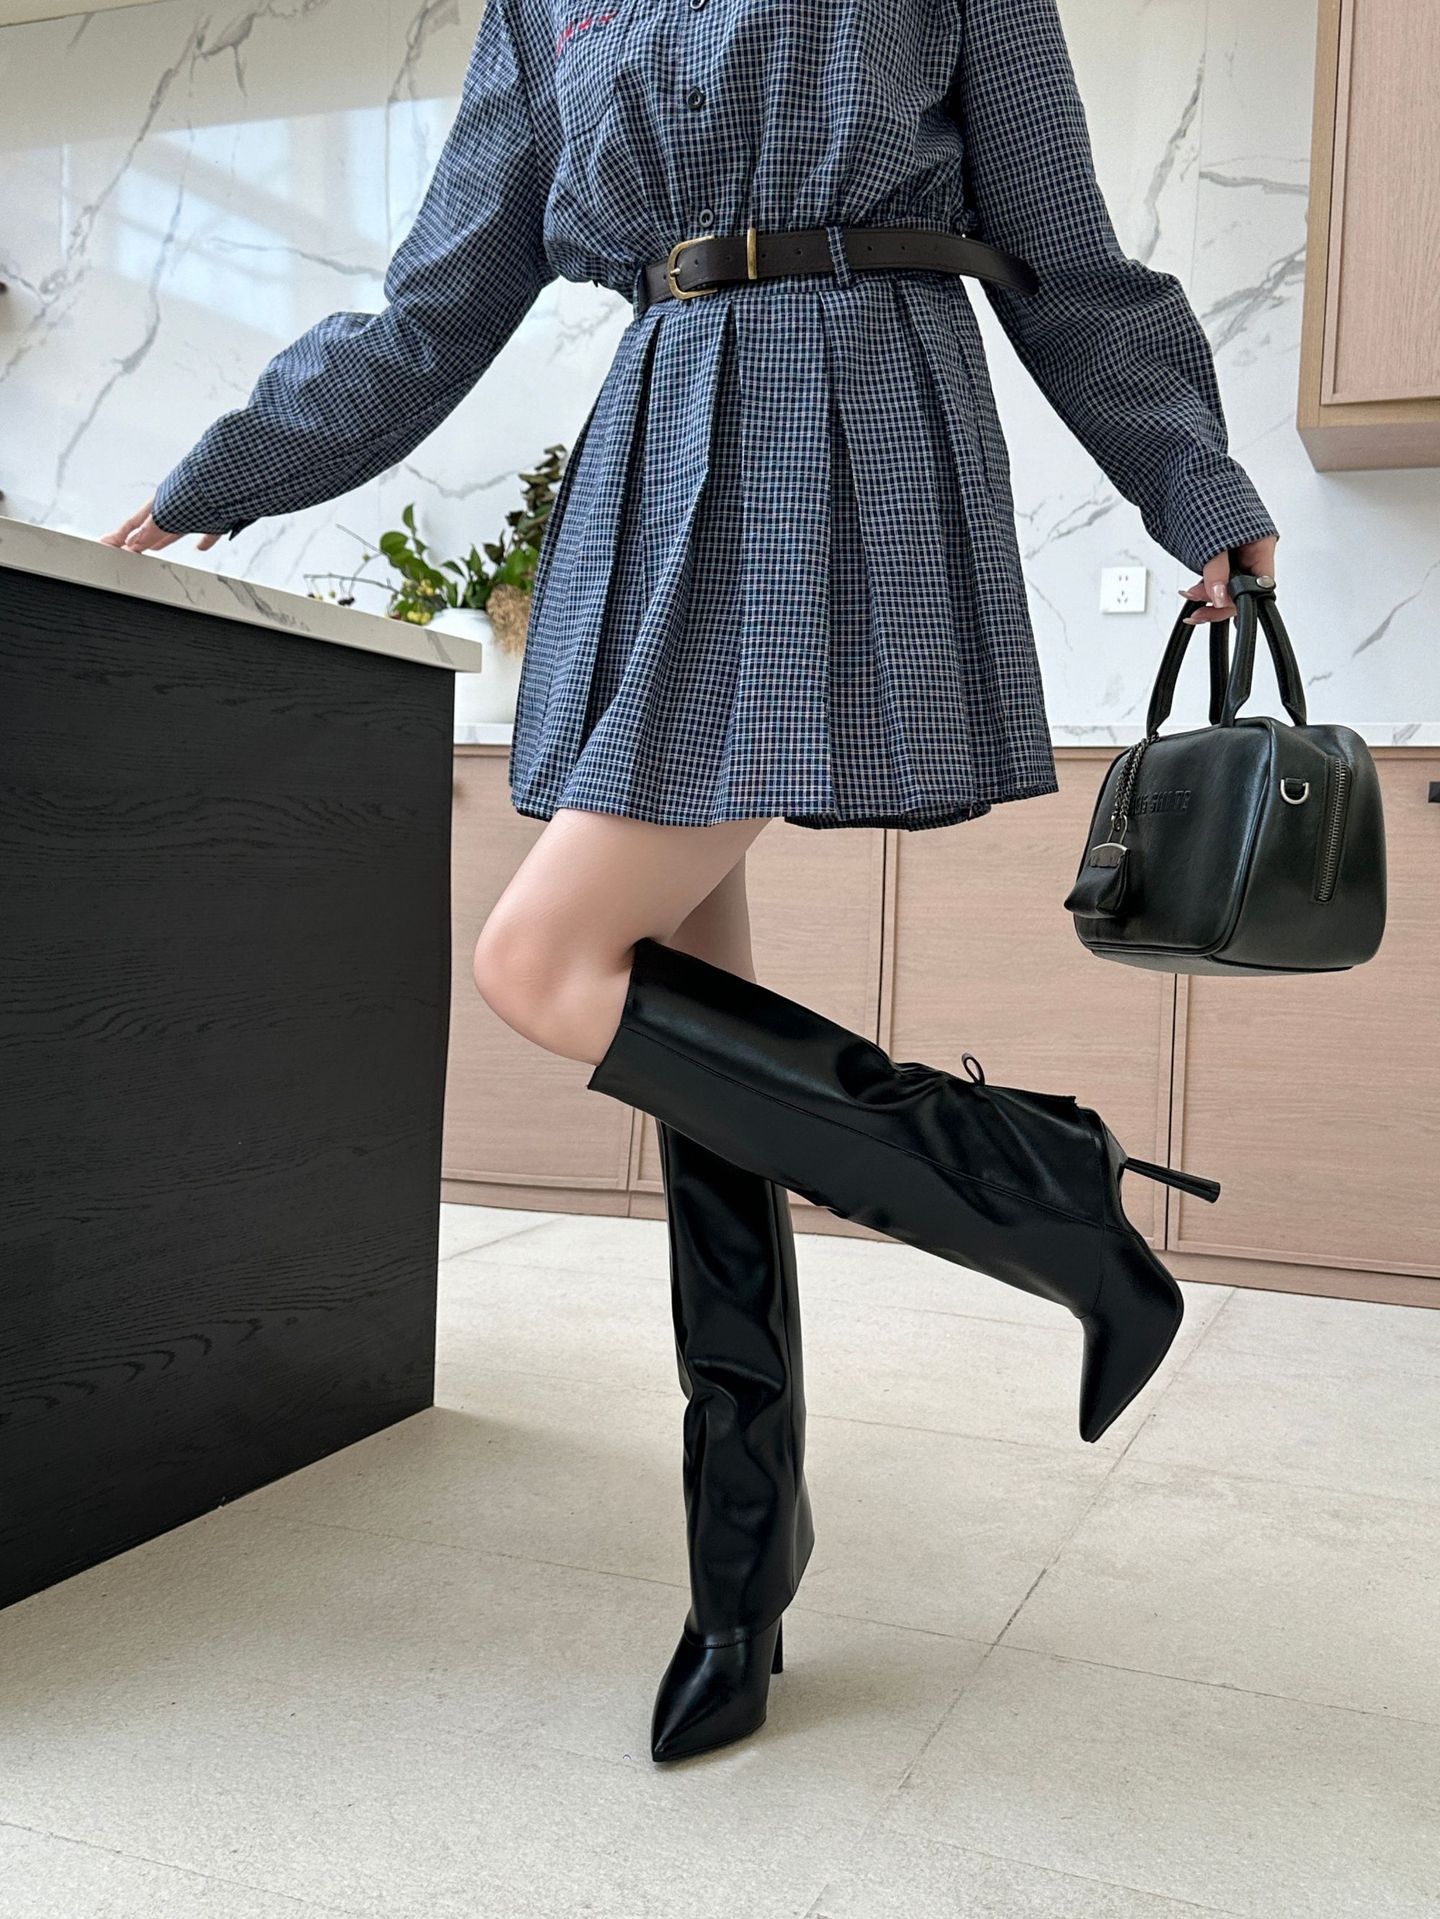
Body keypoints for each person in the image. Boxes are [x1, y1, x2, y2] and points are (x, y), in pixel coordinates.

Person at [104, 0, 1279, 1764]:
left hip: (855, 418)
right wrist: (234, 469)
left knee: (540, 960)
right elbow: (437, 304)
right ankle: (743, 1566)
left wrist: (1191, 478)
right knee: (699, 1075)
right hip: (658, 445)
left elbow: (1066, 255)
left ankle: (1047, 1193)